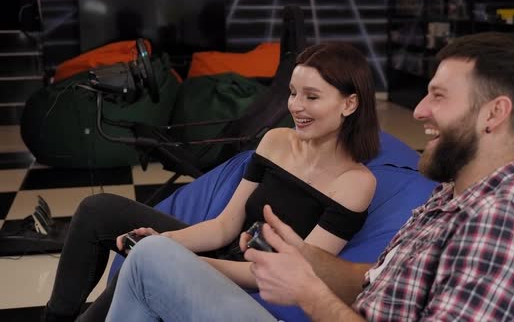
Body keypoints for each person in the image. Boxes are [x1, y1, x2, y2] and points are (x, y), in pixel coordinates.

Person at [107, 32, 514, 322]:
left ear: (495, 114)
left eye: (439, 97)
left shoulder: (505, 226)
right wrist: (304, 258)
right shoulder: (456, 196)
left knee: (152, 260)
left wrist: (308, 293)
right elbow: (379, 278)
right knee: (150, 258)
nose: (419, 111)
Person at [44, 42, 381, 322]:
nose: (295, 106)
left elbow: (296, 272)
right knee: (97, 208)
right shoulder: (277, 141)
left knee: (145, 258)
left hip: (253, 279)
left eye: (312, 96)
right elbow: (224, 226)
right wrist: (166, 240)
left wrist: (176, 259)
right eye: (293, 93)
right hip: (223, 251)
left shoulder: (355, 183)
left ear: (349, 103)